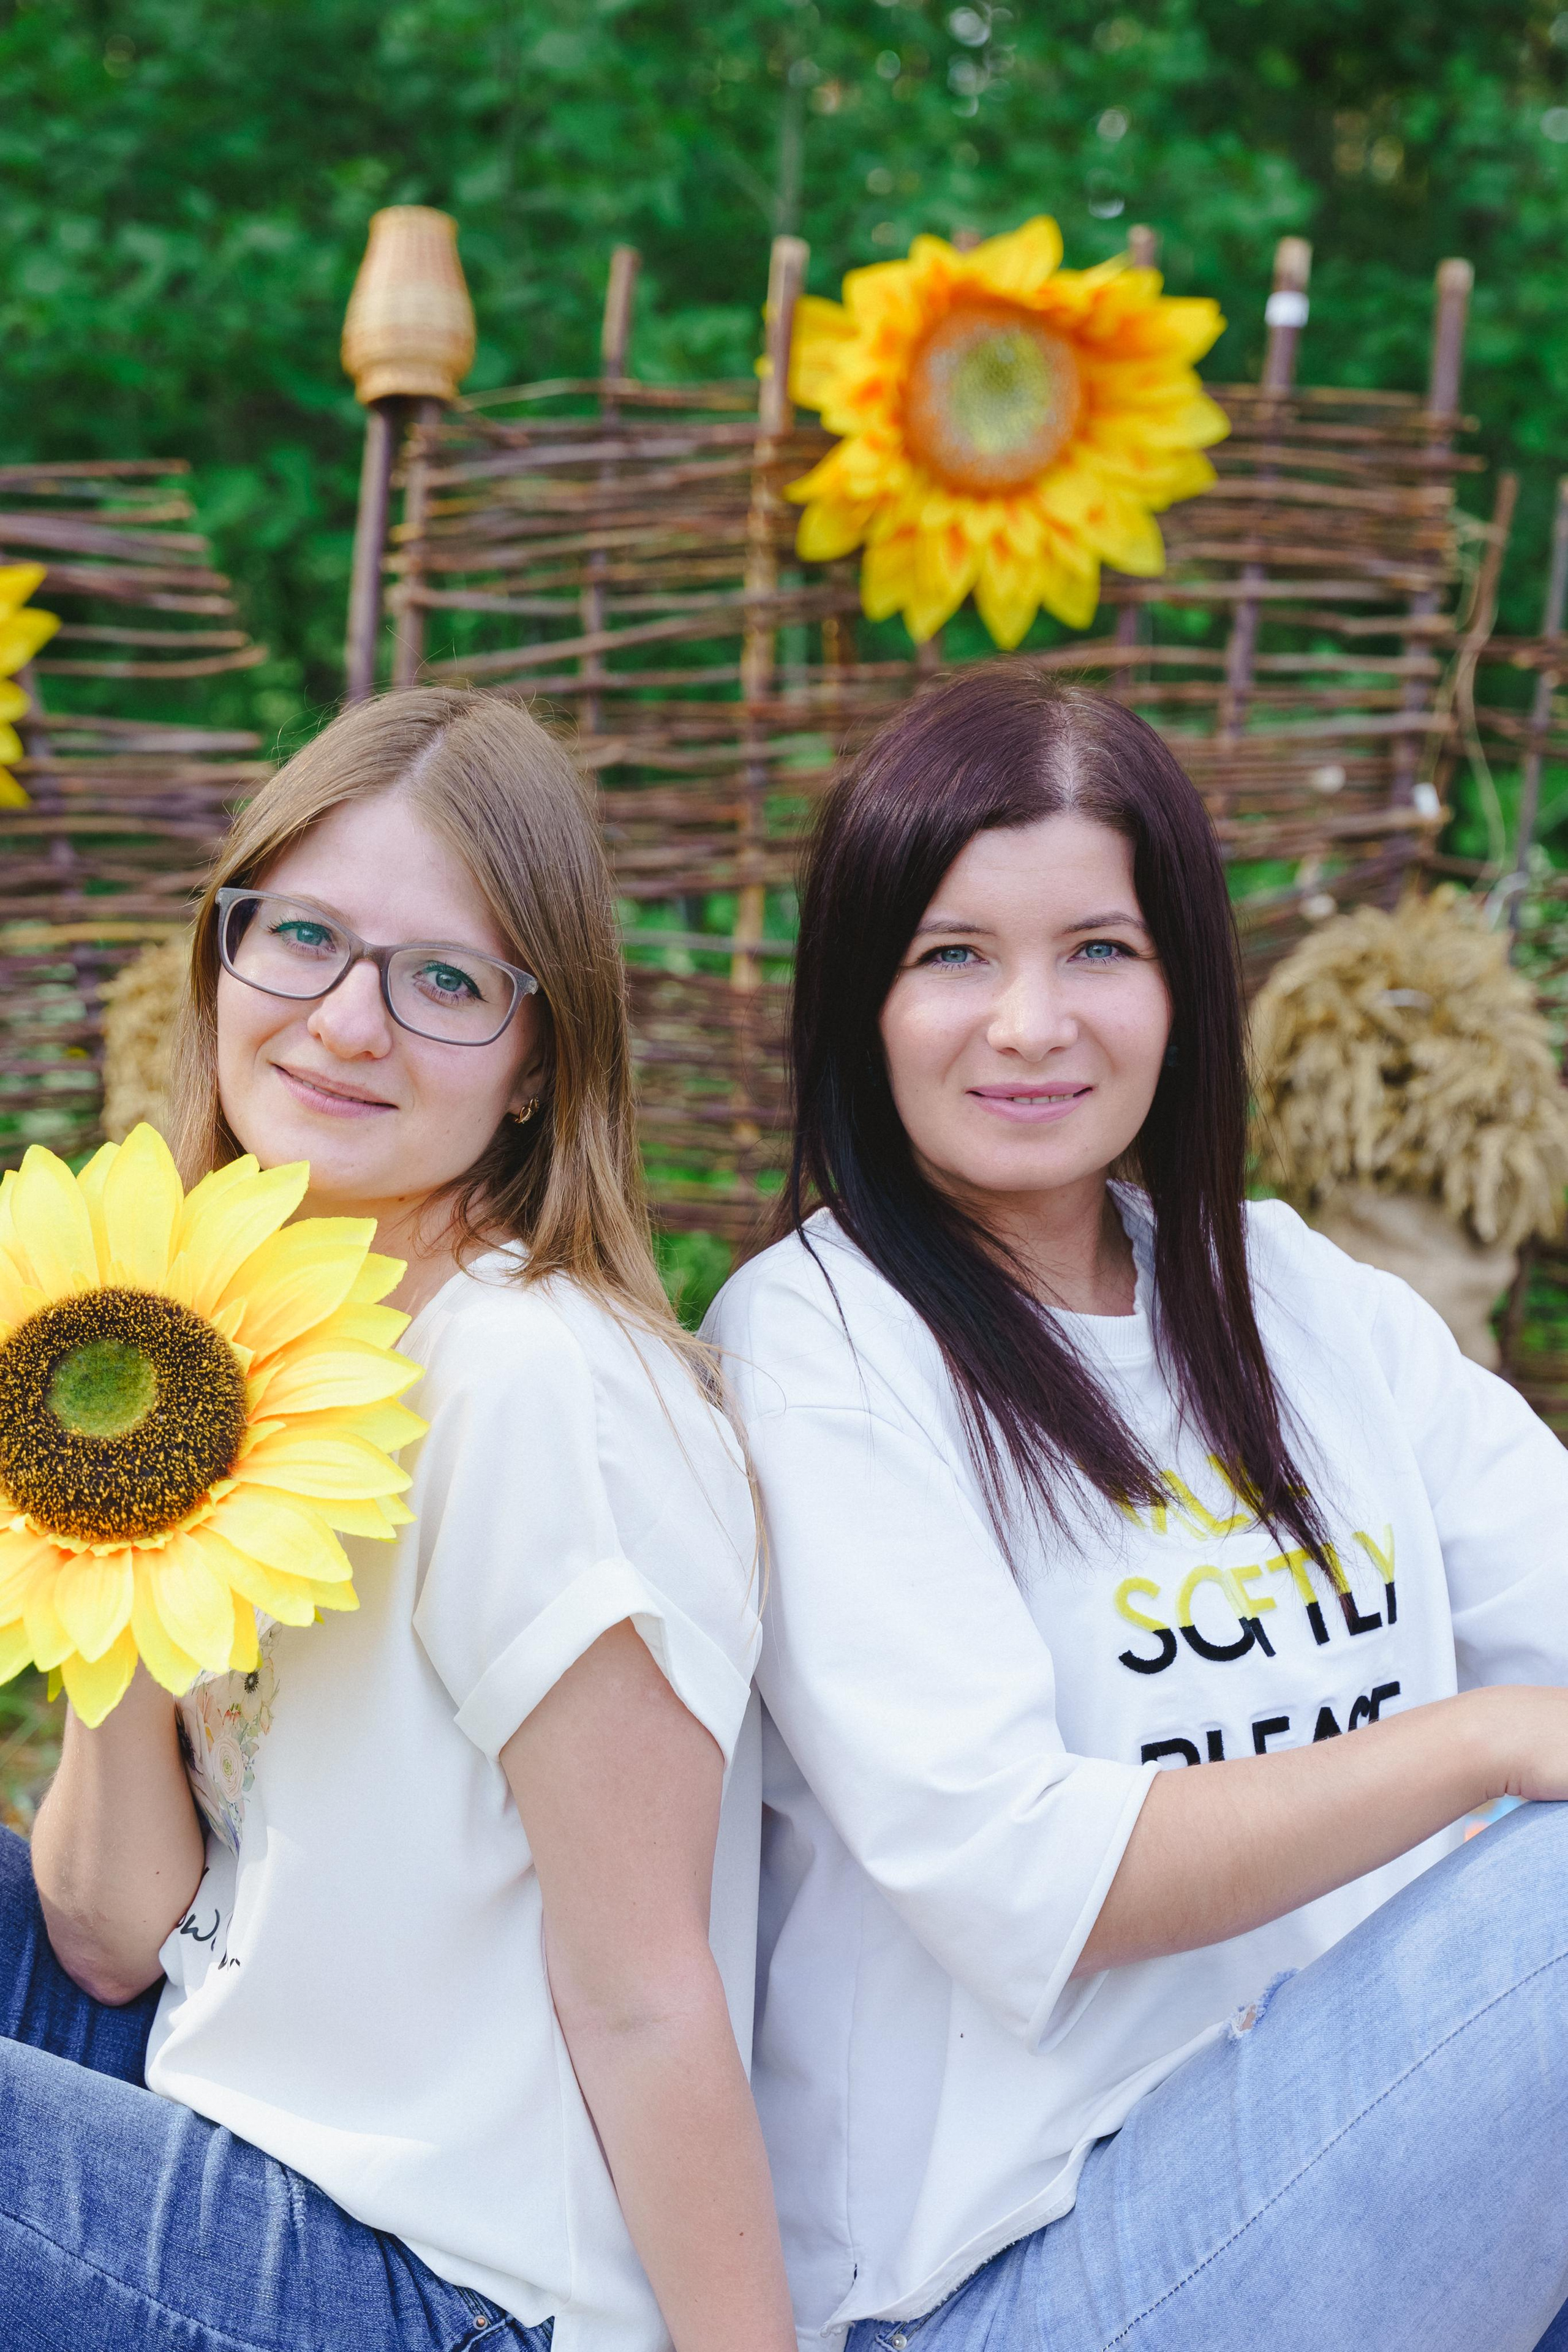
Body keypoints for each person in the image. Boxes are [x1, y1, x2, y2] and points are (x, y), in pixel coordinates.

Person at [705, 664, 1568, 2352]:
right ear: (862, 998)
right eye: (955, 956)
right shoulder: (817, 1347)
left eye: (1099, 950)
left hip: (1366, 2174)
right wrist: (1481, 1743)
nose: (1033, 1023)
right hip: (1015, 2273)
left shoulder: (1292, 1294)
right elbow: (1032, 1882)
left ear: (1182, 987)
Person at [8, 689, 796, 2352]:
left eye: (443, 981)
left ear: (536, 1065)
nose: (346, 1024)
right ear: (222, 958)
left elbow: (648, 1996)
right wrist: (120, 1514)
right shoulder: (244, 1351)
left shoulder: (536, 1388)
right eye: (301, 937)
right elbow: (111, 1935)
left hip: (447, 2282)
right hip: (224, 2105)